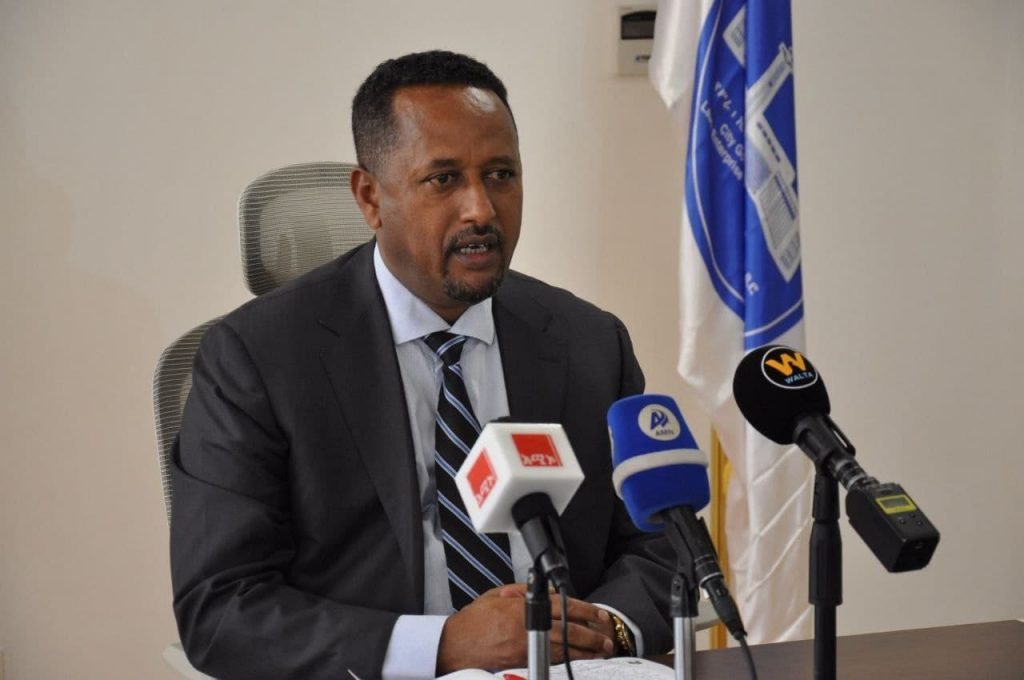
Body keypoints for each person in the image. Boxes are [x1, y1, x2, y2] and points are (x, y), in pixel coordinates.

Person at [171, 50, 675, 679]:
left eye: (501, 174)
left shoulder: (589, 341)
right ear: (370, 197)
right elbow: (221, 608)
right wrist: (442, 646)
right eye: (443, 180)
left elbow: (664, 546)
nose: (481, 209)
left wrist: (606, 631)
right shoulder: (257, 358)